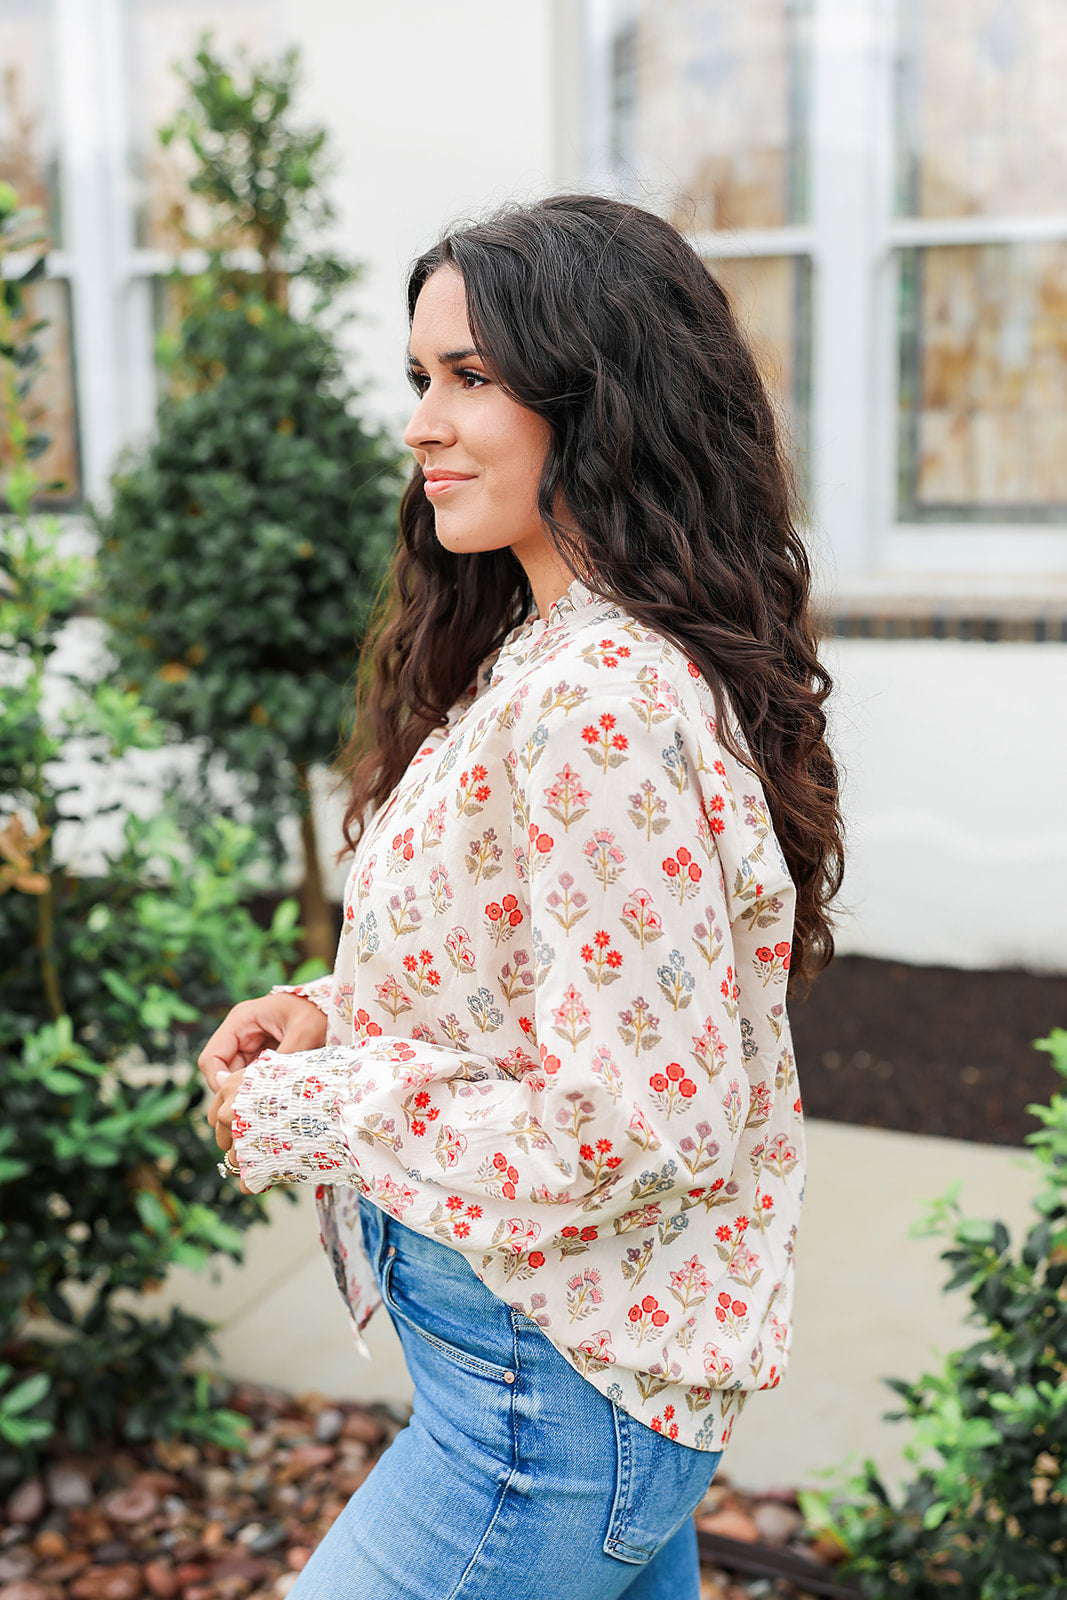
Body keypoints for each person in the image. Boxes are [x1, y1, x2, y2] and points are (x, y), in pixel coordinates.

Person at [199, 194, 844, 1600]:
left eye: (471, 379)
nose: (423, 423)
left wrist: (309, 1108)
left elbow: (631, 1120)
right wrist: (327, 1014)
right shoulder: (561, 652)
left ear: (601, 398)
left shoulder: (598, 701)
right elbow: (534, 967)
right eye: (421, 378)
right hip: (558, 1361)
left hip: (539, 1405)